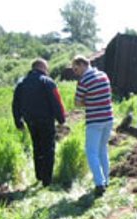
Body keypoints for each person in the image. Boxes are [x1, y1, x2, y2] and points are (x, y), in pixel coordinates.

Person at [12, 58, 66, 187]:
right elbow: (56, 101)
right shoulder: (47, 82)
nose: (47, 71)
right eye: (46, 68)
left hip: (30, 121)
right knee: (48, 148)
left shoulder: (21, 83)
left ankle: (39, 175)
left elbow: (15, 104)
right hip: (46, 120)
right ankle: (47, 180)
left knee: (37, 146)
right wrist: (61, 119)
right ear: (42, 67)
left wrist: (18, 122)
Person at [71, 55, 114, 196]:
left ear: (83, 64)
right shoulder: (103, 75)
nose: (75, 72)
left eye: (76, 68)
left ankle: (99, 183)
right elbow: (107, 95)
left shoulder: (84, 81)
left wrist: (87, 102)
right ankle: (106, 180)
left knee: (91, 152)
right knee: (103, 149)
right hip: (108, 117)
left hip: (95, 120)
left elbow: (77, 103)